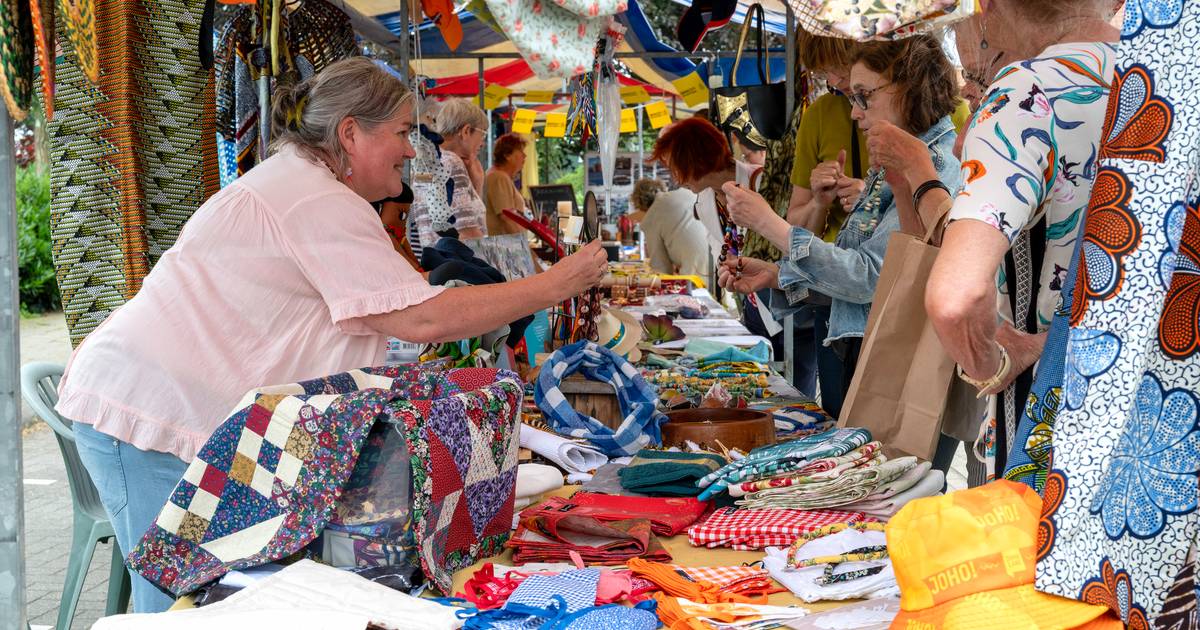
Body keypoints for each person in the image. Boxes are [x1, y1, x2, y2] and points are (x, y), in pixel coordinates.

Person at [57, 58, 608, 614]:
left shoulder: (306, 185)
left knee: (214, 604)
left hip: (184, 408)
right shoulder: (314, 197)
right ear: (350, 133)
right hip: (146, 410)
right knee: (182, 612)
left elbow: (393, 313)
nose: (413, 149)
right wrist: (557, 283)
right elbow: (422, 318)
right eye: (400, 132)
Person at [888, 0, 1119, 477]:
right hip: (1157, 414)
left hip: (1054, 419)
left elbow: (956, 297)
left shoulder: (1027, 92)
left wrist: (995, 360)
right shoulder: (1169, 88)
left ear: (990, 7)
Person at [716, 35, 961, 454]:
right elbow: (866, 273)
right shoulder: (901, 163)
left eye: (863, 96)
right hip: (868, 351)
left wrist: (769, 224)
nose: (854, 110)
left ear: (908, 86)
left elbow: (870, 279)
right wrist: (779, 275)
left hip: (897, 363)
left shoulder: (936, 166)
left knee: (891, 496)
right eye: (850, 94)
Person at [415, 97, 489, 245]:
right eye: (483, 134)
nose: (483, 142)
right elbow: (468, 232)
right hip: (458, 262)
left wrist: (475, 183)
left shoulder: (428, 160)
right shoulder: (451, 162)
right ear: (466, 131)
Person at [630, 178, 709, 277]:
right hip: (722, 260)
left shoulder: (651, 217)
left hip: (697, 272)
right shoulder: (685, 193)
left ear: (638, 202)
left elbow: (661, 268)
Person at [483, 133, 529, 236]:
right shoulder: (499, 177)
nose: (524, 156)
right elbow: (507, 218)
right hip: (504, 247)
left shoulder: (497, 175)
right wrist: (524, 249)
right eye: (521, 151)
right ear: (507, 155)